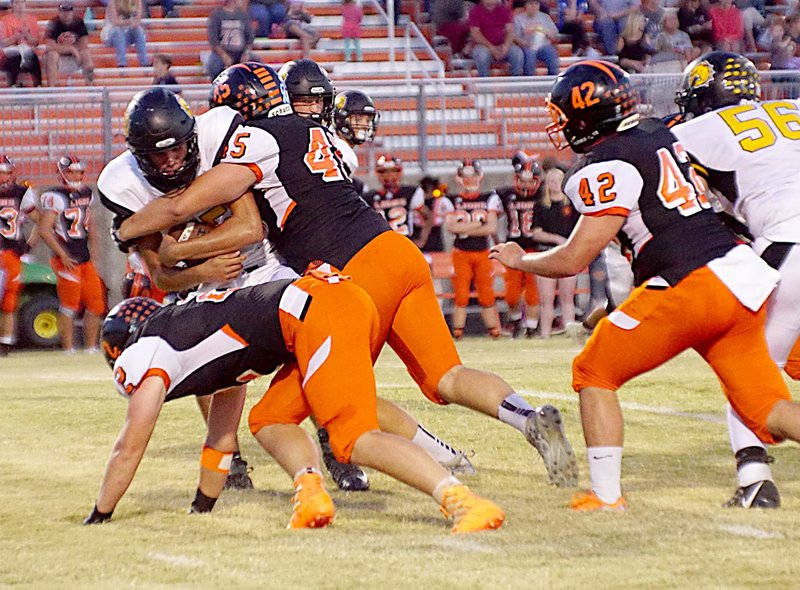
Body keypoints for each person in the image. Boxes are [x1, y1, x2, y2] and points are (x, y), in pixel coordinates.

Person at [114, 61, 579, 489]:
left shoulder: (253, 140)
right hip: (397, 252)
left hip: (353, 272)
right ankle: (526, 418)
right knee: (446, 376)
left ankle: (439, 472)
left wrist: (129, 226)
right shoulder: (315, 133)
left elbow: (181, 205)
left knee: (296, 405)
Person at [491, 60, 800, 512]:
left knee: (593, 371)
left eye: (561, 116)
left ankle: (605, 496)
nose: (556, 126)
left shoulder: (603, 165)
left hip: (689, 282)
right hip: (742, 277)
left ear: (584, 116)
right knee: (765, 407)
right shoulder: (661, 135)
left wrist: (523, 259)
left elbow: (577, 256)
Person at [85, 280, 506, 534]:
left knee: (353, 437)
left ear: (120, 348)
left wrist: (101, 513)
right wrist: (201, 506)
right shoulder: (203, 346)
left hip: (315, 311)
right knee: (268, 420)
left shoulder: (147, 350)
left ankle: (463, 500)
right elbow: (221, 437)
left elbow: (130, 446)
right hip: (327, 304)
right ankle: (312, 495)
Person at [274, 63, 479, 484]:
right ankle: (436, 455)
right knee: (331, 378)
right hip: (311, 263)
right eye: (304, 100)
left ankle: (348, 457)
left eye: (318, 100)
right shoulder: (282, 140)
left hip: (336, 270)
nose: (312, 108)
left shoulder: (324, 146)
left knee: (328, 378)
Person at [98, 87, 292, 490]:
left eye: (176, 149)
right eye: (158, 154)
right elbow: (161, 276)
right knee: (211, 372)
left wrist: (181, 251)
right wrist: (204, 269)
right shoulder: (124, 184)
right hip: (204, 283)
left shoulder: (216, 137)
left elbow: (249, 228)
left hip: (268, 264)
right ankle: (229, 459)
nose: (170, 161)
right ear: (139, 155)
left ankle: (332, 442)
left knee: (307, 343)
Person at [671, 51, 800, 508]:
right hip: (786, 234)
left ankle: (755, 479)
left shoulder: (693, 130)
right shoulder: (792, 109)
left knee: (746, 366)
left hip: (790, 243)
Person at [38, 156, 105, 353]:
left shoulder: (86, 193)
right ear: (62, 174)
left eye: (79, 172)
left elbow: (90, 224)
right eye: (72, 172)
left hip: (84, 257)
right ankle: (68, 350)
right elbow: (44, 229)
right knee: (69, 305)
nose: (77, 176)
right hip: (66, 258)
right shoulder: (55, 196)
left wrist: (94, 251)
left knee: (96, 305)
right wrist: (62, 254)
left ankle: (91, 348)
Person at [442, 159, 504, 339]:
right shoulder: (451, 199)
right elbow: (451, 228)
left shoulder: (489, 198)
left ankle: (495, 332)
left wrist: (466, 228)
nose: (469, 180)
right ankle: (458, 333)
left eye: (473, 175)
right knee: (461, 295)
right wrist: (479, 223)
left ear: (480, 176)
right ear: (459, 178)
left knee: (486, 294)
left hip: (483, 252)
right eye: (465, 176)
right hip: (461, 253)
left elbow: (491, 228)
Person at [497, 151, 543, 338]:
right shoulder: (504, 195)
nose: (525, 184)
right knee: (512, 292)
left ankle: (531, 327)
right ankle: (516, 319)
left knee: (532, 289)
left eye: (530, 180)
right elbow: (493, 215)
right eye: (522, 180)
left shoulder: (542, 196)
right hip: (514, 247)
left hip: (535, 248)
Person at [531, 167, 579, 338]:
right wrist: (556, 238)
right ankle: (545, 334)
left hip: (567, 254)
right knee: (547, 299)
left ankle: (570, 332)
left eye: (558, 181)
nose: (555, 184)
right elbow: (536, 232)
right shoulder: (541, 206)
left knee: (567, 298)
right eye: (552, 181)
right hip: (547, 253)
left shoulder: (572, 205)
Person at [0, 155, 35, 356]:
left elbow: (41, 221)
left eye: (6, 172)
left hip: (11, 252)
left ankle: (5, 343)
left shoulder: (21, 193)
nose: (4, 177)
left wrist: (28, 245)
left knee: (9, 300)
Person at [366, 154, 433, 249]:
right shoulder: (369, 197)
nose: (388, 176)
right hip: (381, 246)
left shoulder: (410, 192)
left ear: (399, 172)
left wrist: (422, 240)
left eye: (393, 171)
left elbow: (428, 216)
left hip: (404, 243)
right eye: (384, 172)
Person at [468, 0, 524, 77]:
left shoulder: (504, 10)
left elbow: (510, 31)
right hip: (483, 46)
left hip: (503, 44)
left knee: (517, 53)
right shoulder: (475, 11)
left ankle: (515, 82)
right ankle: (485, 83)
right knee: (481, 55)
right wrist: (491, 48)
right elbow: (475, 33)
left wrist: (506, 46)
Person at [44, 2, 93, 86]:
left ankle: (90, 84)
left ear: (72, 12)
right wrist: (71, 49)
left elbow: (84, 43)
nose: (66, 14)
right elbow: (50, 45)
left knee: (86, 53)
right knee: (51, 55)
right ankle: (51, 88)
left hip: (76, 58)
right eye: (63, 11)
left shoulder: (78, 23)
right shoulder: (53, 24)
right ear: (59, 12)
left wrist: (76, 52)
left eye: (68, 11)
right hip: (59, 59)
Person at [206, 0, 253, 80]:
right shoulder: (216, 15)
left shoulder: (243, 15)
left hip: (240, 52)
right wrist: (224, 55)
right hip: (222, 52)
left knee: (256, 63)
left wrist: (246, 53)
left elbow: (250, 37)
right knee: (214, 65)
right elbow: (213, 40)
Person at [514, 0, 560, 76]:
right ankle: (529, 79)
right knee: (530, 54)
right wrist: (523, 42)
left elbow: (554, 35)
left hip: (543, 46)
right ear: (525, 5)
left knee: (551, 52)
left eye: (536, 4)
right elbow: (515, 36)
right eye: (530, 4)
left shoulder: (545, 17)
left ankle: (553, 77)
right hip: (527, 46)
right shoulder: (518, 18)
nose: (533, 6)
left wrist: (546, 31)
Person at [0, 0, 40, 86]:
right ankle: (13, 85)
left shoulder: (32, 19)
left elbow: (36, 42)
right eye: (17, 3)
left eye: (22, 2)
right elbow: (2, 43)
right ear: (12, 5)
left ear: (25, 4)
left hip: (26, 50)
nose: (20, 5)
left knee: (31, 55)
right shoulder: (4, 20)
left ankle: (38, 85)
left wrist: (27, 35)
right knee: (14, 55)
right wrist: (15, 38)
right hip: (8, 53)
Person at [102, 0, 149, 68]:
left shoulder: (137, 2)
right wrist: (129, 22)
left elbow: (137, 20)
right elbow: (115, 22)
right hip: (110, 34)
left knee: (138, 30)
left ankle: (144, 62)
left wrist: (133, 24)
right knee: (118, 31)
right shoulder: (113, 2)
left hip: (126, 33)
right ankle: (122, 63)